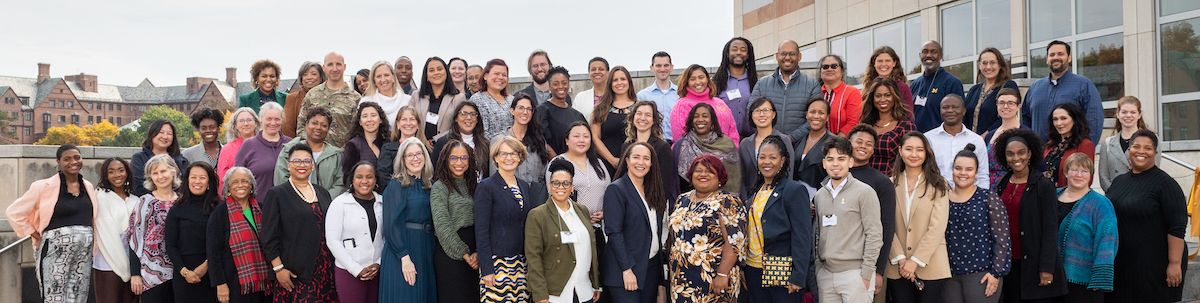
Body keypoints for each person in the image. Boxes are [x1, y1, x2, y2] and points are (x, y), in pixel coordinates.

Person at [5, 144, 98, 303]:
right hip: (55, 251)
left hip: (84, 252)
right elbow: (14, 212)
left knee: (79, 296)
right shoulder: (43, 186)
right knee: (54, 296)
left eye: (77, 157)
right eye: (66, 159)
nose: (73, 162)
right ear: (58, 162)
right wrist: (34, 233)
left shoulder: (88, 186)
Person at [1105, 129, 1187, 303]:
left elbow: (1177, 226)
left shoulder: (1166, 184)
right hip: (1122, 262)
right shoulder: (1119, 181)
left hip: (1154, 265)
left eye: (1148, 148)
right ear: (1129, 150)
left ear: (1155, 153)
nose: (1141, 151)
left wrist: (1174, 263)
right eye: (1136, 146)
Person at [992, 128, 1066, 302]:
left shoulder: (1043, 185)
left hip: (1035, 264)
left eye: (1021, 152)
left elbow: (1050, 228)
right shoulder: (1002, 183)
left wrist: (1046, 267)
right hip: (1009, 264)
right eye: (1010, 154)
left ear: (1030, 153)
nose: (1016, 158)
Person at [262, 143, 338, 302]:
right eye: (297, 161)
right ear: (288, 165)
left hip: (325, 270)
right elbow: (269, 237)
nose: (302, 165)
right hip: (295, 273)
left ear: (313, 166)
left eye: (306, 161)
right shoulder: (277, 194)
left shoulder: (322, 192)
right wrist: (278, 269)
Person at [667, 155, 747, 302]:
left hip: (713, 278)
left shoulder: (728, 201)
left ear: (720, 177)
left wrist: (722, 274)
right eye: (698, 170)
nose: (703, 174)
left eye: (710, 171)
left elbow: (735, 242)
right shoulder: (682, 199)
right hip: (681, 278)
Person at [742, 135, 812, 302]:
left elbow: (802, 236)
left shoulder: (794, 190)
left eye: (773, 157)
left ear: (782, 161)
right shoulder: (755, 192)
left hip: (781, 270)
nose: (767, 162)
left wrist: (798, 275)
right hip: (753, 269)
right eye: (762, 157)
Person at [814, 136, 883, 302]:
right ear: (824, 163)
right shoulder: (819, 195)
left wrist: (866, 273)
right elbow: (817, 234)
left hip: (856, 274)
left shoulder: (864, 192)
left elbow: (874, 234)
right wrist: (819, 270)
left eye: (841, 159)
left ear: (851, 162)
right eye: (830, 159)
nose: (835, 164)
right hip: (826, 275)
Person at [885, 132, 952, 303]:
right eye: (909, 149)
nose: (914, 154)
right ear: (900, 151)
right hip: (897, 266)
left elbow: (937, 227)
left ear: (926, 153)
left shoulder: (939, 184)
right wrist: (900, 258)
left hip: (931, 264)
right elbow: (886, 224)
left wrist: (915, 260)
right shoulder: (889, 184)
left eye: (919, 150)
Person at [526, 158, 602, 303]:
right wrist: (540, 294)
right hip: (555, 294)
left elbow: (590, 250)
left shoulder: (582, 210)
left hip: (584, 291)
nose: (561, 187)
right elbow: (533, 258)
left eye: (566, 183)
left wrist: (596, 284)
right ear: (549, 186)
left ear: (572, 187)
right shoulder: (537, 215)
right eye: (556, 183)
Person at [476, 137, 542, 302]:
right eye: (503, 154)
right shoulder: (486, 186)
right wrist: (487, 269)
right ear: (496, 158)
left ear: (520, 157)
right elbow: (481, 230)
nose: (509, 158)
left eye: (513, 154)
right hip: (497, 263)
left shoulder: (524, 186)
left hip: (520, 262)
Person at [602, 142, 669, 303]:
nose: (641, 162)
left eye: (646, 158)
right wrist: (626, 269)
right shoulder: (616, 190)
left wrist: (660, 281)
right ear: (626, 160)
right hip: (625, 271)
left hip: (651, 269)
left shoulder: (653, 190)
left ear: (652, 163)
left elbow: (656, 233)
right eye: (636, 157)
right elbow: (614, 233)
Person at [943, 144, 1011, 303]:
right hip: (948, 274)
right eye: (958, 168)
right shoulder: (942, 199)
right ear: (952, 170)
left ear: (976, 172)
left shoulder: (988, 198)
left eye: (968, 169)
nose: (963, 173)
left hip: (980, 274)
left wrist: (996, 273)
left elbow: (1002, 239)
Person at [1056, 153, 1118, 302]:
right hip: (1052, 278)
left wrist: (1101, 276)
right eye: (1074, 170)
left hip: (1085, 280)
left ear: (1090, 175)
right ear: (1065, 172)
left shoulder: (1101, 204)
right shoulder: (1052, 196)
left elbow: (1107, 240)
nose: (1079, 175)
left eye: (1084, 171)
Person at [206, 167, 272, 303]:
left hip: (265, 280)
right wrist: (220, 284)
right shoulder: (220, 214)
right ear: (228, 188)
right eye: (235, 182)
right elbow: (213, 252)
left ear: (252, 186)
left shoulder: (262, 208)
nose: (240, 185)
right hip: (234, 282)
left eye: (244, 181)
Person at [847, 125, 896, 298]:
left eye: (868, 144)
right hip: (833, 266)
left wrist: (879, 270)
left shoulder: (881, 182)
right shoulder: (833, 176)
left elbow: (887, 228)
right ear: (848, 144)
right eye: (858, 141)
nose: (863, 146)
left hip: (866, 266)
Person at [429, 140, 482, 303]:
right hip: (451, 255)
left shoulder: (475, 185)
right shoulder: (440, 187)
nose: (459, 163)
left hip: (476, 253)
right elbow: (442, 224)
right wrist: (465, 254)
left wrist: (479, 252)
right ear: (445, 160)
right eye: (454, 158)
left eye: (464, 158)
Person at [1022, 40, 1104, 142]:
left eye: (1060, 54)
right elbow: (1025, 121)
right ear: (1047, 59)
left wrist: (1085, 150)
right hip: (1039, 154)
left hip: (1071, 154)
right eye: (1052, 55)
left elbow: (1094, 121)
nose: (1056, 57)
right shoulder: (1034, 88)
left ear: (1069, 58)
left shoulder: (1083, 85)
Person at [548, 122, 611, 250]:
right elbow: (553, 194)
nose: (581, 140)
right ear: (567, 140)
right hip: (569, 228)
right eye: (576, 136)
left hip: (596, 229)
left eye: (586, 136)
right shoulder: (558, 163)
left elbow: (609, 192)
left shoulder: (598, 163)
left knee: (597, 268)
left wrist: (604, 213)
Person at [128, 154, 183, 301]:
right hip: (151, 273)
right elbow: (134, 239)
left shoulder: (183, 201)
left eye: (163, 171)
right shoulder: (144, 202)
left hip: (181, 272)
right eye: (155, 173)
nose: (160, 176)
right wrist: (135, 274)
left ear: (173, 171)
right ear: (150, 177)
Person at [329, 161, 385, 303]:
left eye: (369, 177)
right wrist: (356, 269)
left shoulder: (383, 203)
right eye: (359, 177)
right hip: (348, 272)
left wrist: (379, 263)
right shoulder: (339, 203)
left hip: (377, 272)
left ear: (376, 180)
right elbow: (332, 240)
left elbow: (387, 237)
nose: (364, 181)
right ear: (352, 180)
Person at [167, 163, 218, 302]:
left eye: (202, 178)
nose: (197, 181)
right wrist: (184, 271)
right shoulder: (177, 208)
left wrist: (206, 266)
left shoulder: (218, 207)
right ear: (187, 180)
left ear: (209, 182)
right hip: (183, 274)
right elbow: (170, 245)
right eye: (193, 177)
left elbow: (223, 242)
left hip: (213, 272)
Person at [749, 40, 822, 134]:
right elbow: (752, 112)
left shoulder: (812, 85)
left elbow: (816, 117)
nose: (787, 57)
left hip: (800, 145)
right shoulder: (762, 83)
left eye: (792, 54)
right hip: (767, 143)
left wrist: (791, 139)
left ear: (799, 56)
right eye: (783, 53)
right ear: (777, 56)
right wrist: (770, 137)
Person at [94, 158, 139, 303]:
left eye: (121, 170)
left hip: (133, 263)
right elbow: (107, 235)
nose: (117, 175)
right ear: (105, 175)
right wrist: (124, 268)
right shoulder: (101, 197)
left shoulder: (135, 199)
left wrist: (133, 269)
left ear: (127, 172)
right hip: (108, 262)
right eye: (111, 171)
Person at [275, 107, 345, 197]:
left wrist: (323, 200)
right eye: (314, 123)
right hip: (293, 205)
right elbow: (281, 179)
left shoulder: (336, 155)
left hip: (327, 206)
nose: (318, 128)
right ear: (306, 124)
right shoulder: (288, 150)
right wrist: (300, 200)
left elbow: (339, 184)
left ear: (328, 129)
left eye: (324, 125)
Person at [672, 103, 741, 193]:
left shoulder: (726, 144)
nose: (700, 119)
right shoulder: (680, 145)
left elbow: (734, 178)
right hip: (688, 200)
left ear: (712, 120)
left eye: (705, 116)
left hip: (720, 200)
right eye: (696, 116)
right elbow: (673, 181)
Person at [925, 94, 990, 189]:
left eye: (955, 107)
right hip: (935, 195)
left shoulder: (976, 140)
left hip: (969, 198)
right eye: (945, 107)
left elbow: (982, 175)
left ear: (964, 111)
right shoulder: (928, 138)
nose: (950, 110)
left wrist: (981, 199)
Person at [496, 93, 552, 204]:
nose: (525, 112)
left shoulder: (539, 140)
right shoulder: (500, 140)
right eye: (521, 108)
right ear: (512, 111)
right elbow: (495, 176)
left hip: (535, 198)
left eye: (529, 109)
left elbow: (543, 172)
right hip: (508, 198)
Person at [668, 64, 741, 145]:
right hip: (695, 155)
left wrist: (731, 150)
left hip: (725, 154)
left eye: (701, 77)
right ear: (687, 82)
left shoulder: (720, 103)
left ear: (707, 79)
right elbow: (680, 137)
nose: (698, 82)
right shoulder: (681, 106)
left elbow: (733, 130)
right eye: (692, 79)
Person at [299, 52, 361, 147]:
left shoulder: (355, 98)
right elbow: (301, 125)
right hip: (313, 154)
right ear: (324, 68)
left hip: (341, 156)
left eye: (338, 64)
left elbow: (358, 132)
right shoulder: (312, 94)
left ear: (344, 67)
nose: (334, 69)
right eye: (330, 64)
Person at [738, 97, 797, 198]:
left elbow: (789, 172)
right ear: (751, 115)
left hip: (777, 198)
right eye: (757, 111)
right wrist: (746, 200)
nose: (761, 114)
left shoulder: (784, 140)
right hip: (751, 198)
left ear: (773, 114)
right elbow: (741, 176)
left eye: (765, 110)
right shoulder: (745, 144)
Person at [234, 102, 291, 203]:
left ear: (282, 120)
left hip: (287, 205)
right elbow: (237, 177)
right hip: (258, 207)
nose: (273, 123)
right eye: (269, 119)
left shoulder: (291, 144)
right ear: (260, 119)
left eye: (277, 119)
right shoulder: (249, 145)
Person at [623, 101, 679, 199]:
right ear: (633, 117)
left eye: (648, 115)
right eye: (639, 114)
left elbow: (665, 184)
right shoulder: (627, 145)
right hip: (628, 200)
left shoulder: (663, 147)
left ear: (654, 120)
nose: (643, 118)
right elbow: (621, 176)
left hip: (653, 201)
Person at [861, 77, 916, 176]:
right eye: (878, 96)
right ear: (872, 98)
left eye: (887, 95)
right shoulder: (865, 125)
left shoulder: (905, 126)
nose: (882, 100)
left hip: (892, 182)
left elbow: (912, 158)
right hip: (866, 183)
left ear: (895, 97)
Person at [1098, 96, 1154, 191]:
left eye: (1133, 112)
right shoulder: (1107, 144)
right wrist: (1116, 194)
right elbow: (1103, 177)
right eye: (1124, 112)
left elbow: (1153, 173)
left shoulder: (1151, 140)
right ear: (1118, 114)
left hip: (1142, 197)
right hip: (1115, 199)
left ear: (1139, 115)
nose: (1128, 115)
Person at [909, 40, 966, 132]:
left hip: (941, 140)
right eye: (925, 52)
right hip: (917, 140)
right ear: (920, 56)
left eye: (933, 52)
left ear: (941, 56)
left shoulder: (952, 83)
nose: (928, 55)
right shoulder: (915, 84)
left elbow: (959, 116)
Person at [964, 48, 1020, 134]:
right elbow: (964, 116)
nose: (988, 67)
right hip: (972, 143)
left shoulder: (1008, 86)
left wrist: (986, 136)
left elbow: (1008, 115)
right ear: (979, 65)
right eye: (984, 63)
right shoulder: (974, 90)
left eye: (992, 62)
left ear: (1000, 65)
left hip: (996, 140)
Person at [592, 66, 638, 169]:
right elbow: (595, 137)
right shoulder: (601, 108)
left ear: (629, 82)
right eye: (615, 80)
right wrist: (611, 159)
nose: (619, 83)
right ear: (610, 84)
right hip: (606, 163)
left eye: (623, 79)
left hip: (634, 164)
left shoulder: (639, 108)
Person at [431, 102, 492, 179]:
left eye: (473, 114)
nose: (469, 118)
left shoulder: (485, 144)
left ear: (477, 120)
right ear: (456, 118)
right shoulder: (443, 142)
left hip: (479, 189)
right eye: (463, 114)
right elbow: (435, 171)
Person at [378, 106, 431, 191]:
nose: (408, 123)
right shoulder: (388, 149)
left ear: (418, 125)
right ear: (398, 124)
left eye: (412, 119)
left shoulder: (427, 150)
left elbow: (430, 176)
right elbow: (383, 177)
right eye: (404, 119)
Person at [714, 37, 759, 138]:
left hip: (750, 140)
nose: (739, 52)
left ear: (748, 55)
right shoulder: (716, 83)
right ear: (727, 54)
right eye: (734, 49)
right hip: (723, 140)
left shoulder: (756, 83)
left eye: (743, 50)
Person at [413, 57, 468, 139]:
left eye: (439, 69)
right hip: (420, 145)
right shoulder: (416, 96)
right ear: (426, 76)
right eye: (431, 70)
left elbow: (459, 126)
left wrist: (437, 139)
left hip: (447, 145)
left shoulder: (458, 98)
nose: (436, 73)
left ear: (446, 73)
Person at [1042, 103, 1095, 188]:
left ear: (1074, 119)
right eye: (1055, 119)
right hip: (1046, 196)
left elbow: (1086, 179)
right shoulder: (1050, 145)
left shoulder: (1085, 144)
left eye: (1063, 118)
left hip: (1067, 197)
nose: (1059, 123)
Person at [131, 120, 189, 196]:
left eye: (169, 134)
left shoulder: (181, 161)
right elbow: (138, 186)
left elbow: (185, 186)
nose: (165, 136)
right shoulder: (139, 158)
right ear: (152, 134)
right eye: (161, 132)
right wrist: (159, 199)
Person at [538, 66, 587, 155]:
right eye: (556, 84)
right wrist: (558, 162)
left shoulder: (577, 115)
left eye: (564, 83)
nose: (560, 87)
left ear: (568, 84)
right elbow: (541, 140)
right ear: (549, 85)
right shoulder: (543, 110)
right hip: (554, 164)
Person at [341, 102, 390, 189]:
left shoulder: (388, 144)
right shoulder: (353, 145)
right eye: (365, 116)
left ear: (380, 120)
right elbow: (347, 176)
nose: (369, 119)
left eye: (373, 115)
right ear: (360, 122)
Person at [984, 89, 1023, 188]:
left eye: (1010, 103)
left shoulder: (1025, 133)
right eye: (1001, 103)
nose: (1005, 106)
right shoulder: (990, 135)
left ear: (1018, 106)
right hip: (990, 189)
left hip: (1014, 187)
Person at [792, 97, 833, 190]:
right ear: (806, 114)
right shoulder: (799, 140)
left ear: (827, 117)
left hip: (821, 196)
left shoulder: (834, 142)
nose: (816, 116)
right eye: (812, 112)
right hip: (796, 195)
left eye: (821, 113)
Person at [636, 51, 680, 139]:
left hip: (677, 143)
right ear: (652, 68)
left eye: (666, 65)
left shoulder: (681, 94)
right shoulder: (643, 96)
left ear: (671, 68)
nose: (662, 69)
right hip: (653, 144)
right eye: (658, 66)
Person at [818, 54, 863, 136]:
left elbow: (853, 123)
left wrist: (835, 144)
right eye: (825, 67)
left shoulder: (852, 92)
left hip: (841, 144)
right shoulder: (815, 92)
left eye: (834, 66)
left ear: (842, 71)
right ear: (820, 72)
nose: (829, 69)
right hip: (817, 143)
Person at [472, 59, 515, 139]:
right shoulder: (477, 99)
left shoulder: (512, 99)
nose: (500, 77)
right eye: (496, 74)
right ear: (485, 76)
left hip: (514, 148)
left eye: (504, 75)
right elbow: (482, 133)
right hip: (489, 148)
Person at [217, 107, 259, 189]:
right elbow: (222, 178)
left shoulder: (264, 145)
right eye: (241, 121)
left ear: (256, 123)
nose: (246, 124)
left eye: (249, 120)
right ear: (235, 125)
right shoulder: (227, 149)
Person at [862, 46, 914, 111]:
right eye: (880, 61)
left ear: (894, 63)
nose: (883, 64)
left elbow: (909, 116)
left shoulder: (903, 88)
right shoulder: (868, 88)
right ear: (874, 64)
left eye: (887, 61)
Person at [360, 60, 412, 125]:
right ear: (374, 80)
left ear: (393, 77)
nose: (383, 79)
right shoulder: (366, 101)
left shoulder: (408, 101)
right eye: (379, 76)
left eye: (386, 75)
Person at [283, 61, 327, 138]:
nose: (309, 77)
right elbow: (287, 127)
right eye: (305, 75)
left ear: (321, 77)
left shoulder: (329, 96)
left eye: (313, 74)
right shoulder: (293, 98)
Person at [574, 57, 609, 121]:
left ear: (607, 73)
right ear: (589, 74)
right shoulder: (580, 97)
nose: (597, 72)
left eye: (601, 69)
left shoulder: (615, 95)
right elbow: (575, 121)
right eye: (593, 69)